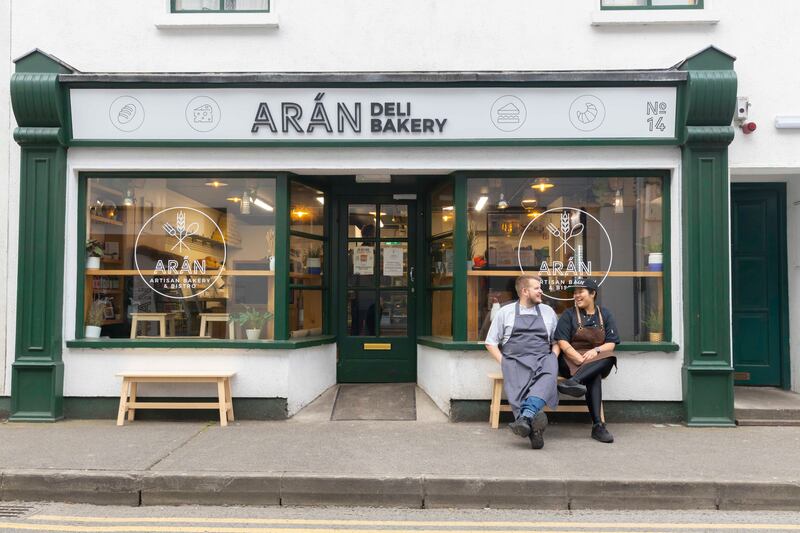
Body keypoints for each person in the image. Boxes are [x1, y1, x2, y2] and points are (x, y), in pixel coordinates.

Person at [484, 275, 560, 449]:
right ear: (525, 291)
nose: (541, 291)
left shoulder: (548, 312)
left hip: (543, 359)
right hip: (515, 361)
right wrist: (505, 362)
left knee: (548, 374)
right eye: (537, 288)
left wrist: (553, 357)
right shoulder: (505, 312)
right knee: (519, 390)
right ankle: (533, 428)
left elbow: (556, 342)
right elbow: (490, 342)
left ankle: (525, 418)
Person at [554, 278, 620, 444]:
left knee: (610, 356)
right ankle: (598, 426)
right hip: (570, 359)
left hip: (595, 358)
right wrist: (575, 356)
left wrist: (595, 351)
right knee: (594, 376)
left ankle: (574, 381)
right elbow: (562, 341)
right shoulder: (568, 314)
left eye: (580, 292)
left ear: (592, 294)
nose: (576, 295)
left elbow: (611, 343)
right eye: (575, 293)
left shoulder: (605, 315)